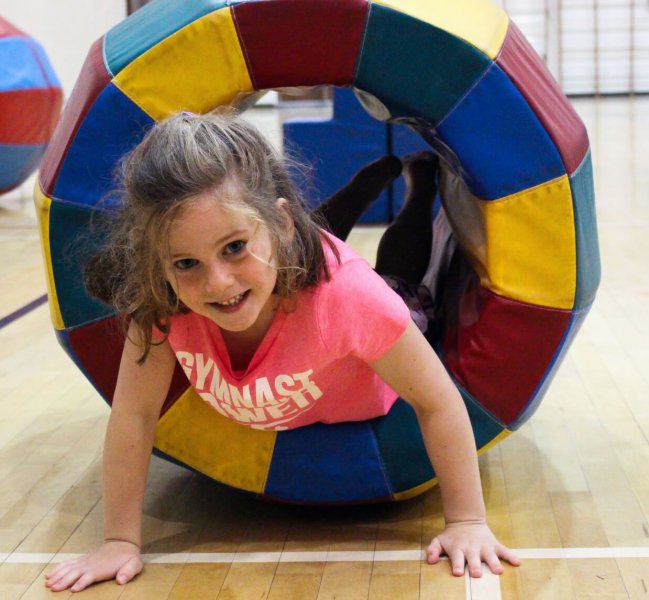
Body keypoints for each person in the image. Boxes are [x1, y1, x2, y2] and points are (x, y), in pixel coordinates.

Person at [45, 112, 520, 593]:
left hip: (362, 338)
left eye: (233, 248)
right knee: (280, 263)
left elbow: (437, 400)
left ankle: (418, 189)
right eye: (186, 263)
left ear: (280, 222)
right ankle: (357, 191)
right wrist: (120, 539)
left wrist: (466, 520)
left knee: (398, 278)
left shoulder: (351, 299)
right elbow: (134, 413)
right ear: (159, 264)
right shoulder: (164, 310)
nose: (217, 283)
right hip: (294, 266)